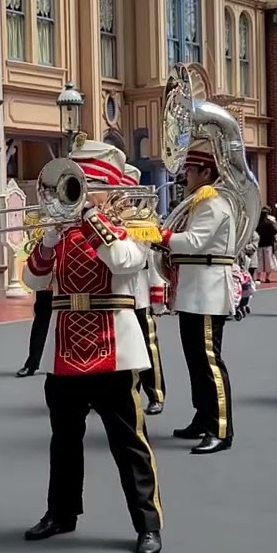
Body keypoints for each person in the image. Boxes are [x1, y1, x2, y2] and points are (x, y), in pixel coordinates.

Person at [21, 140, 163, 553]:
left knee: (128, 444)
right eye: (75, 181)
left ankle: (147, 524)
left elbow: (123, 261)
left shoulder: (134, 224)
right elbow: (33, 282)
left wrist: (91, 219)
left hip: (113, 346)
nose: (79, 188)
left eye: (89, 183)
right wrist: (47, 242)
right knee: (63, 440)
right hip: (64, 346)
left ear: (111, 187)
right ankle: (61, 513)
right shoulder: (62, 230)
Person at [157, 138, 237, 455]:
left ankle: (220, 427)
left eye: (190, 170)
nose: (185, 176)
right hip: (192, 291)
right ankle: (202, 418)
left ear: (205, 171)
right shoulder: (199, 202)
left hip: (207, 292)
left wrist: (158, 235)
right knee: (195, 361)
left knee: (209, 362)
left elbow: (193, 242)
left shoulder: (214, 204)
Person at [119, 163, 166, 415]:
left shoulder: (143, 221)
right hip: (113, 297)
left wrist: (157, 296)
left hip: (138, 295)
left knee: (148, 346)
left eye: (124, 194)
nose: (123, 200)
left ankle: (155, 393)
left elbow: (153, 262)